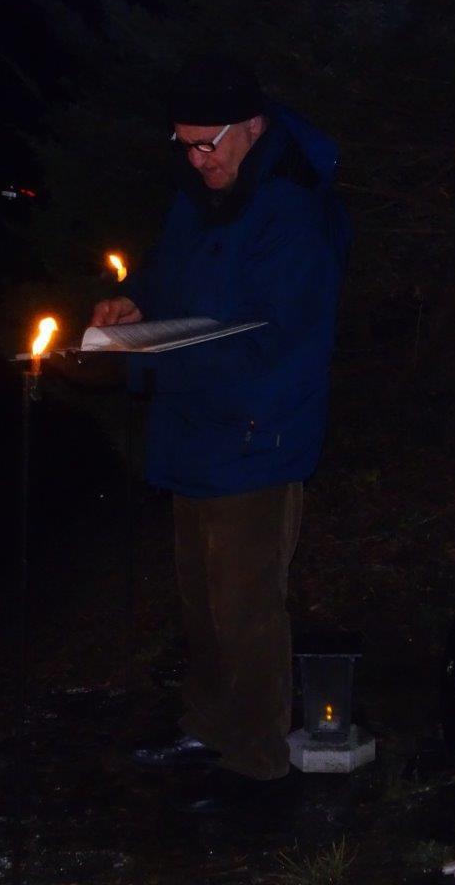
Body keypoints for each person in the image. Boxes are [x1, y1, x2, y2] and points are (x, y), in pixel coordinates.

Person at [91, 56, 349, 804]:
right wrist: (134, 306)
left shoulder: (292, 211)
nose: (197, 159)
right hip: (194, 427)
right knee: (201, 601)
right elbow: (168, 275)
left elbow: (276, 337)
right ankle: (207, 727)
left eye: (208, 144)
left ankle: (258, 764)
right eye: (184, 143)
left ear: (254, 128)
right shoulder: (199, 194)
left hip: (257, 432)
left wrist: (156, 355)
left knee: (245, 608)